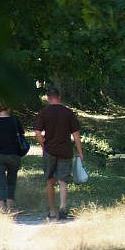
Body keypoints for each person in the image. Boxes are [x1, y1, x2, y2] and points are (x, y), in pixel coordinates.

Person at [34, 88, 83, 220]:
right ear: (59, 97)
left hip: (50, 150)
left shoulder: (44, 113)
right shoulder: (68, 113)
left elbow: (37, 133)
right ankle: (62, 207)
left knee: (50, 180)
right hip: (66, 150)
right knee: (63, 180)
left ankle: (52, 211)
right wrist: (80, 152)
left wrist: (43, 145)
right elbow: (76, 135)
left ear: (48, 98)